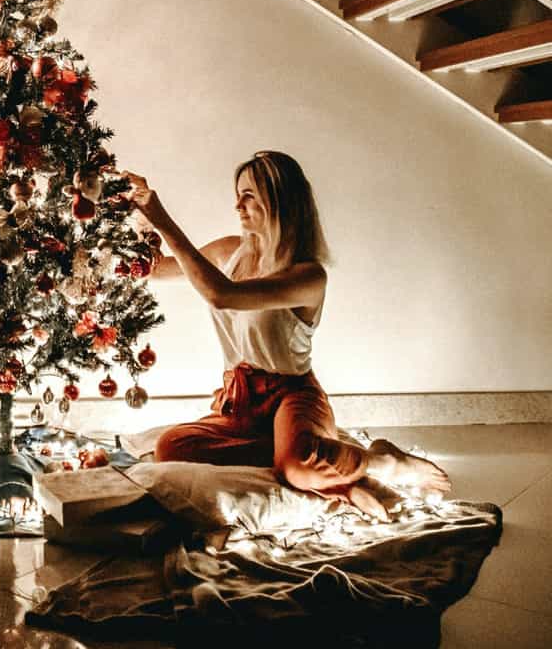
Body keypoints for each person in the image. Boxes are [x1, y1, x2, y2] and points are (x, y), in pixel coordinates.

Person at [123, 151, 450, 522]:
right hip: (240, 399)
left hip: (291, 396)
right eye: (238, 193)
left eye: (249, 195)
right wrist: (136, 212)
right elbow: (153, 271)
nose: (237, 204)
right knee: (171, 446)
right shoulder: (230, 250)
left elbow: (222, 294)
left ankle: (379, 460)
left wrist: (161, 217)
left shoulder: (307, 276)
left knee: (296, 468)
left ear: (278, 200)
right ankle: (329, 467)